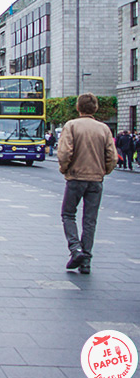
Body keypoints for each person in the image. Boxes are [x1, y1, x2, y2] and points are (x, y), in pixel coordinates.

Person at [57, 93, 118, 275]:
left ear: (78, 107)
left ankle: (75, 249)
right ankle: (87, 261)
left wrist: (64, 169)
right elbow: (112, 157)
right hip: (96, 180)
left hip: (76, 177)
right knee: (90, 220)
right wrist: (103, 171)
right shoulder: (104, 129)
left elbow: (64, 153)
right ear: (95, 108)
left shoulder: (72, 126)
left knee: (68, 214)